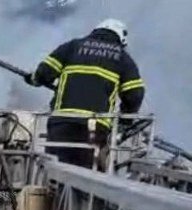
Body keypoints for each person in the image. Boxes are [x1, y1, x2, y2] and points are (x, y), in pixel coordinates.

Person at [25, 18, 145, 168]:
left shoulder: (72, 46)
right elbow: (134, 94)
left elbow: (44, 74)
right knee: (86, 174)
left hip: (62, 123)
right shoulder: (123, 58)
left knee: (54, 170)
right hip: (94, 128)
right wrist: (124, 123)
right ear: (121, 39)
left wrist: (32, 79)